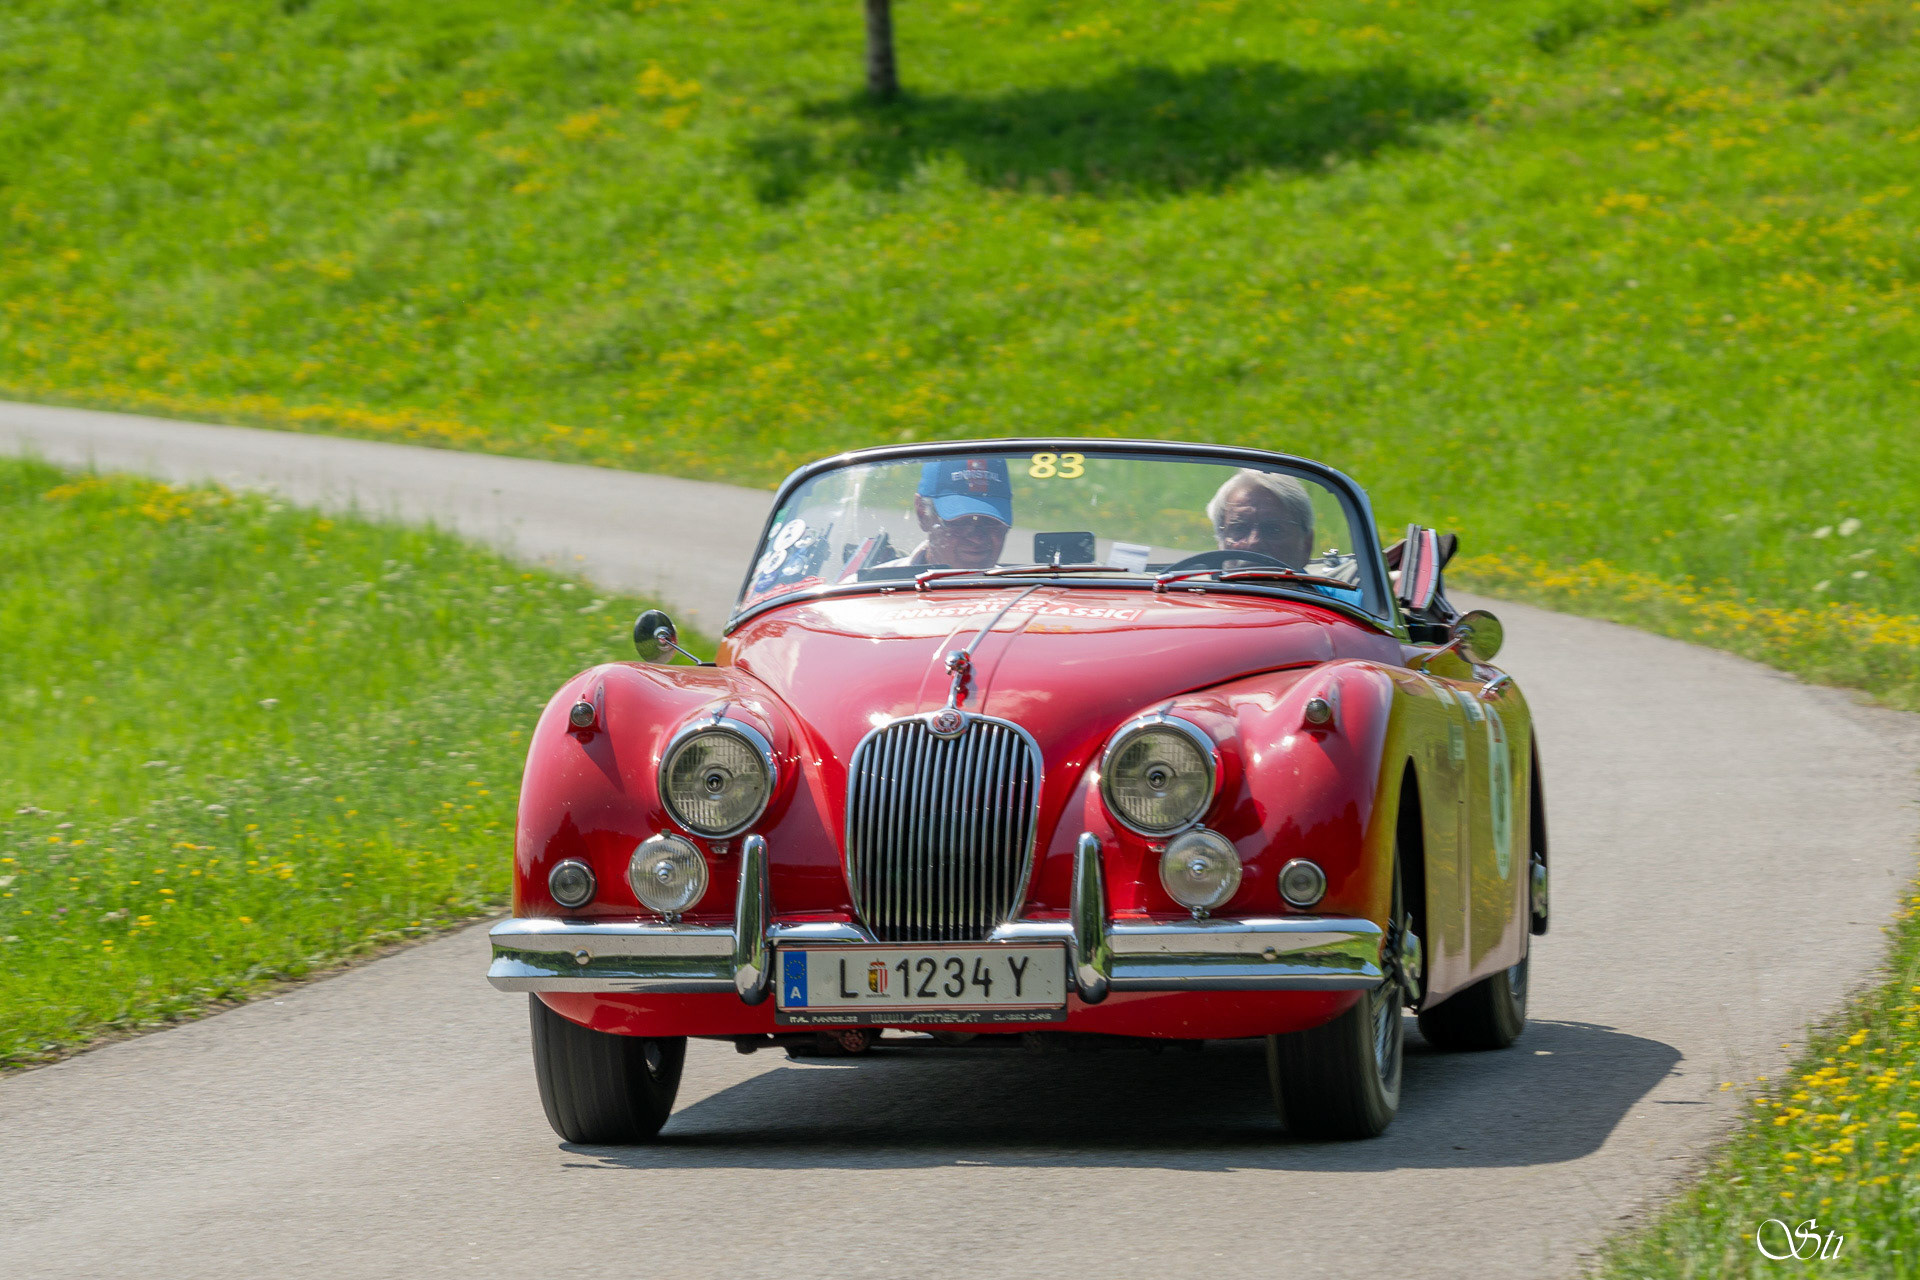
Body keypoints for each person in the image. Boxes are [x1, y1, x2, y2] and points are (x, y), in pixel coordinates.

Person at [882, 456, 1013, 572]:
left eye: (991, 522)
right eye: (961, 522)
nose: (977, 538)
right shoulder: (879, 584)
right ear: (923, 514)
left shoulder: (1020, 588)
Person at [1206, 469, 1316, 568]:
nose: (1254, 543)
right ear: (1220, 543)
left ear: (1306, 546)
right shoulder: (1200, 584)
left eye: (1273, 530)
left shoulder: (1322, 585)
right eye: (1239, 528)